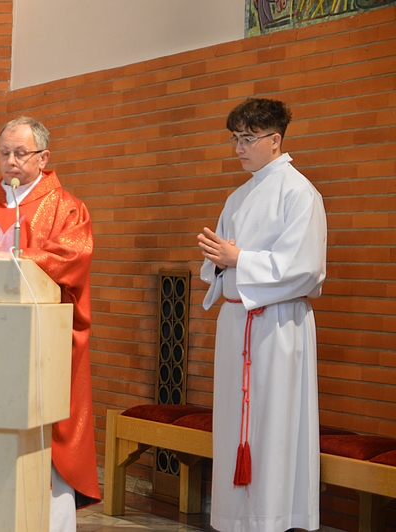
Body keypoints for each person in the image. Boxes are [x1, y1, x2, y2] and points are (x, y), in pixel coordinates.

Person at [0, 116, 101, 530]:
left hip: (42, 345)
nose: (10, 161)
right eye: (4, 153)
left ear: (44, 157)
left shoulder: (66, 209)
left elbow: (73, 257)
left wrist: (18, 260)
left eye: (20, 153)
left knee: (43, 433)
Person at [197, 98, 327, 532]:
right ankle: (236, 519)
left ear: (275, 140)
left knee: (274, 424)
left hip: (278, 324)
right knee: (234, 423)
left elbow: (306, 268)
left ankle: (274, 518)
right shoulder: (238, 196)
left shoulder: (299, 192)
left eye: (248, 139)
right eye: (235, 138)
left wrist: (239, 259)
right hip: (238, 324)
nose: (239, 148)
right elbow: (221, 265)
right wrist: (221, 262)